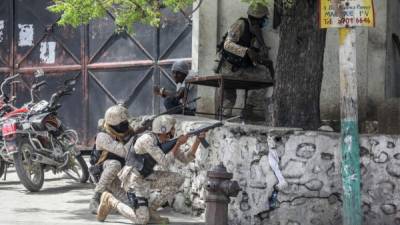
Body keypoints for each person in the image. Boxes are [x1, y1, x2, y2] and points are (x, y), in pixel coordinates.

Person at [96, 115, 206, 224]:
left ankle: (151, 210)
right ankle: (110, 200)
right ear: (165, 129)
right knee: (142, 220)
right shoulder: (147, 139)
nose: (174, 130)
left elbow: (185, 159)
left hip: (147, 176)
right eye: (172, 128)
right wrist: (177, 144)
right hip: (134, 180)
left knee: (178, 179)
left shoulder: (166, 142)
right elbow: (165, 162)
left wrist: (197, 142)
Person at [216, 5, 274, 118]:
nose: (265, 21)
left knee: (264, 75)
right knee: (229, 95)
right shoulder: (240, 24)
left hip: (242, 67)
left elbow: (253, 52)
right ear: (256, 19)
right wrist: (247, 51)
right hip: (228, 67)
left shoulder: (255, 31)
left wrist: (261, 54)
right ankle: (224, 116)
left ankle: (249, 109)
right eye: (263, 19)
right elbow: (227, 45)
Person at [89, 104, 142, 214]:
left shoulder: (125, 130)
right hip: (105, 172)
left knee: (135, 206)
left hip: (121, 176)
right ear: (113, 124)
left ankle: (108, 200)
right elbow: (124, 152)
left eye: (126, 122)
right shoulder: (103, 136)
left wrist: (143, 129)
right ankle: (96, 197)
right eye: (122, 123)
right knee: (115, 163)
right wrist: (134, 136)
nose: (126, 124)